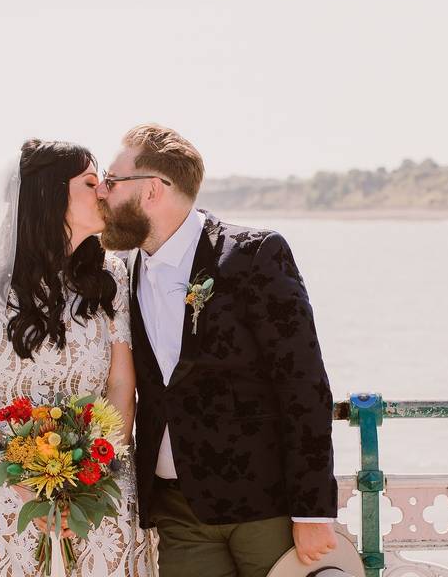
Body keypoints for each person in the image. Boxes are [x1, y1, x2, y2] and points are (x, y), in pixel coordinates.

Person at [97, 124, 338, 577]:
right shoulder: (122, 272)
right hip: (176, 511)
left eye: (111, 180)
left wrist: (313, 511)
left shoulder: (253, 255)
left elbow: (303, 382)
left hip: (264, 509)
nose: (102, 193)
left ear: (151, 189)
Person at [0, 139, 155, 576]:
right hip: (11, 498)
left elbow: (120, 389)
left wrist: (92, 476)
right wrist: (29, 488)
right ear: (49, 195)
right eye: (90, 183)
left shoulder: (110, 276)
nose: (104, 192)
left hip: (100, 490)